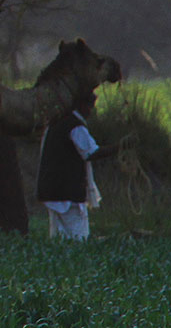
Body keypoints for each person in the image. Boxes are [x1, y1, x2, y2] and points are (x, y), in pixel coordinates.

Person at [37, 90, 121, 241]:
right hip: (67, 193)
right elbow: (91, 153)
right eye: (90, 106)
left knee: (59, 241)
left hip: (51, 191)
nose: (91, 111)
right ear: (81, 105)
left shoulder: (56, 122)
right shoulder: (74, 126)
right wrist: (120, 147)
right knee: (78, 240)